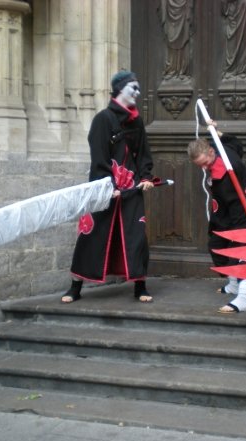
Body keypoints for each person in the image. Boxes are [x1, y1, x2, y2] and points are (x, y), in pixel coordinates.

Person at [61, 70, 155, 304]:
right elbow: (99, 157)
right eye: (133, 87)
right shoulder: (103, 119)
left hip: (131, 189)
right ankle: (75, 287)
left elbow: (143, 153)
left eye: (138, 88)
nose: (138, 92)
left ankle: (140, 286)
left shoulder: (137, 122)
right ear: (120, 89)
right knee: (91, 235)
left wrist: (146, 177)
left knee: (136, 236)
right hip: (104, 189)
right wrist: (106, 187)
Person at [187, 131, 246, 313]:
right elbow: (235, 141)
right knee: (216, 244)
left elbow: (235, 204)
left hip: (242, 212)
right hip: (225, 211)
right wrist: (219, 132)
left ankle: (244, 297)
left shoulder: (226, 172)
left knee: (244, 250)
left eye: (205, 163)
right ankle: (234, 283)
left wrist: (237, 231)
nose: (204, 168)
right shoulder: (224, 149)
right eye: (200, 165)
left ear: (211, 152)